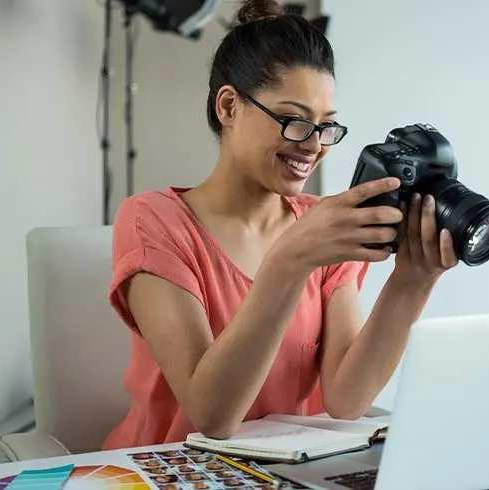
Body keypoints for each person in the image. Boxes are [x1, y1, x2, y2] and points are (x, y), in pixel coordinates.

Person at [101, 0, 458, 450]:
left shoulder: (320, 223)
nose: (313, 145)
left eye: (326, 126)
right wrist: (290, 260)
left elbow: (346, 399)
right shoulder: (154, 220)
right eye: (294, 121)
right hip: (172, 471)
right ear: (229, 107)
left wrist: (411, 283)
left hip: (285, 473)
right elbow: (212, 415)